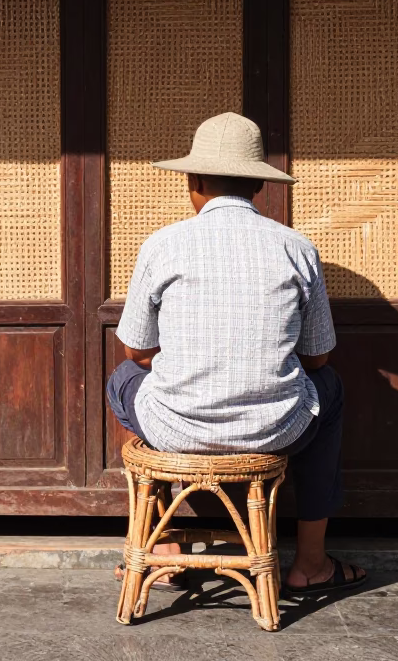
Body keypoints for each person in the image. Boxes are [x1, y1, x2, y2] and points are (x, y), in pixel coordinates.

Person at [106, 112, 366, 598]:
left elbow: (135, 350)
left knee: (121, 378)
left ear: (194, 180)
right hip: (276, 429)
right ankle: (310, 562)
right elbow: (317, 361)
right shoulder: (296, 247)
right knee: (329, 391)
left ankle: (159, 543)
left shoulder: (163, 245)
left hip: (175, 428)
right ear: (258, 186)